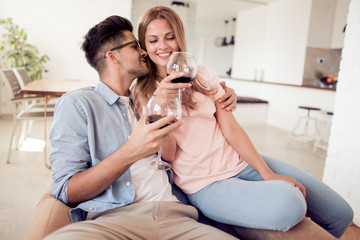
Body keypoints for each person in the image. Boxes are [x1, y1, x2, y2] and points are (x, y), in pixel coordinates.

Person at [132, 6, 354, 239]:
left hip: (241, 163)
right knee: (291, 204)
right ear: (145, 46)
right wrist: (163, 104)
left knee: (341, 213)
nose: (163, 46)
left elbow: (231, 127)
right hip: (208, 185)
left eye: (170, 37)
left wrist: (266, 172)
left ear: (179, 38)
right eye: (153, 40)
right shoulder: (144, 93)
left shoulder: (202, 75)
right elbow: (168, 155)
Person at [45, 15, 240, 240]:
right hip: (114, 221)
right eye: (135, 46)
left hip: (175, 215)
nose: (144, 51)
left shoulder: (145, 98)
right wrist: (132, 150)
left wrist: (223, 95)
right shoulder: (79, 103)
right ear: (112, 56)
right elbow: (65, 190)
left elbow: (168, 155)